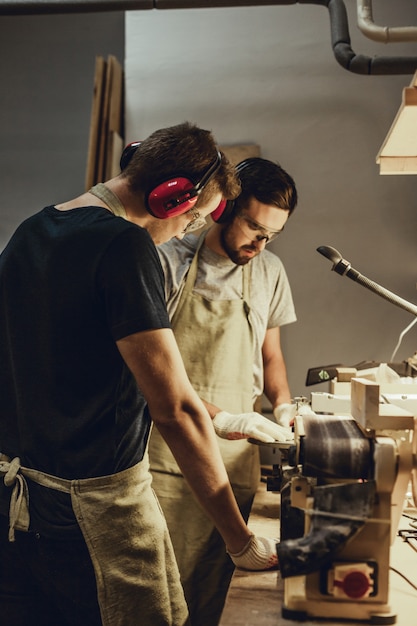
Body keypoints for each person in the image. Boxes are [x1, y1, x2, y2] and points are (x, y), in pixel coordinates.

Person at [0, 124, 284, 626]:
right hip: (95, 514)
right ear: (171, 199)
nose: (185, 231)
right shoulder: (124, 247)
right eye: (192, 220)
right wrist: (240, 541)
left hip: (19, 504)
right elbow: (172, 408)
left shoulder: (29, 231)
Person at [149, 156, 298, 625]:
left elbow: (270, 355)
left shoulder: (270, 271)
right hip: (166, 461)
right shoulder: (168, 260)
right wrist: (222, 418)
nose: (260, 243)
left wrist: (284, 404)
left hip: (235, 465)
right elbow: (152, 377)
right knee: (162, 593)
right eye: (253, 227)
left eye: (270, 236)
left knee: (218, 596)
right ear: (223, 210)